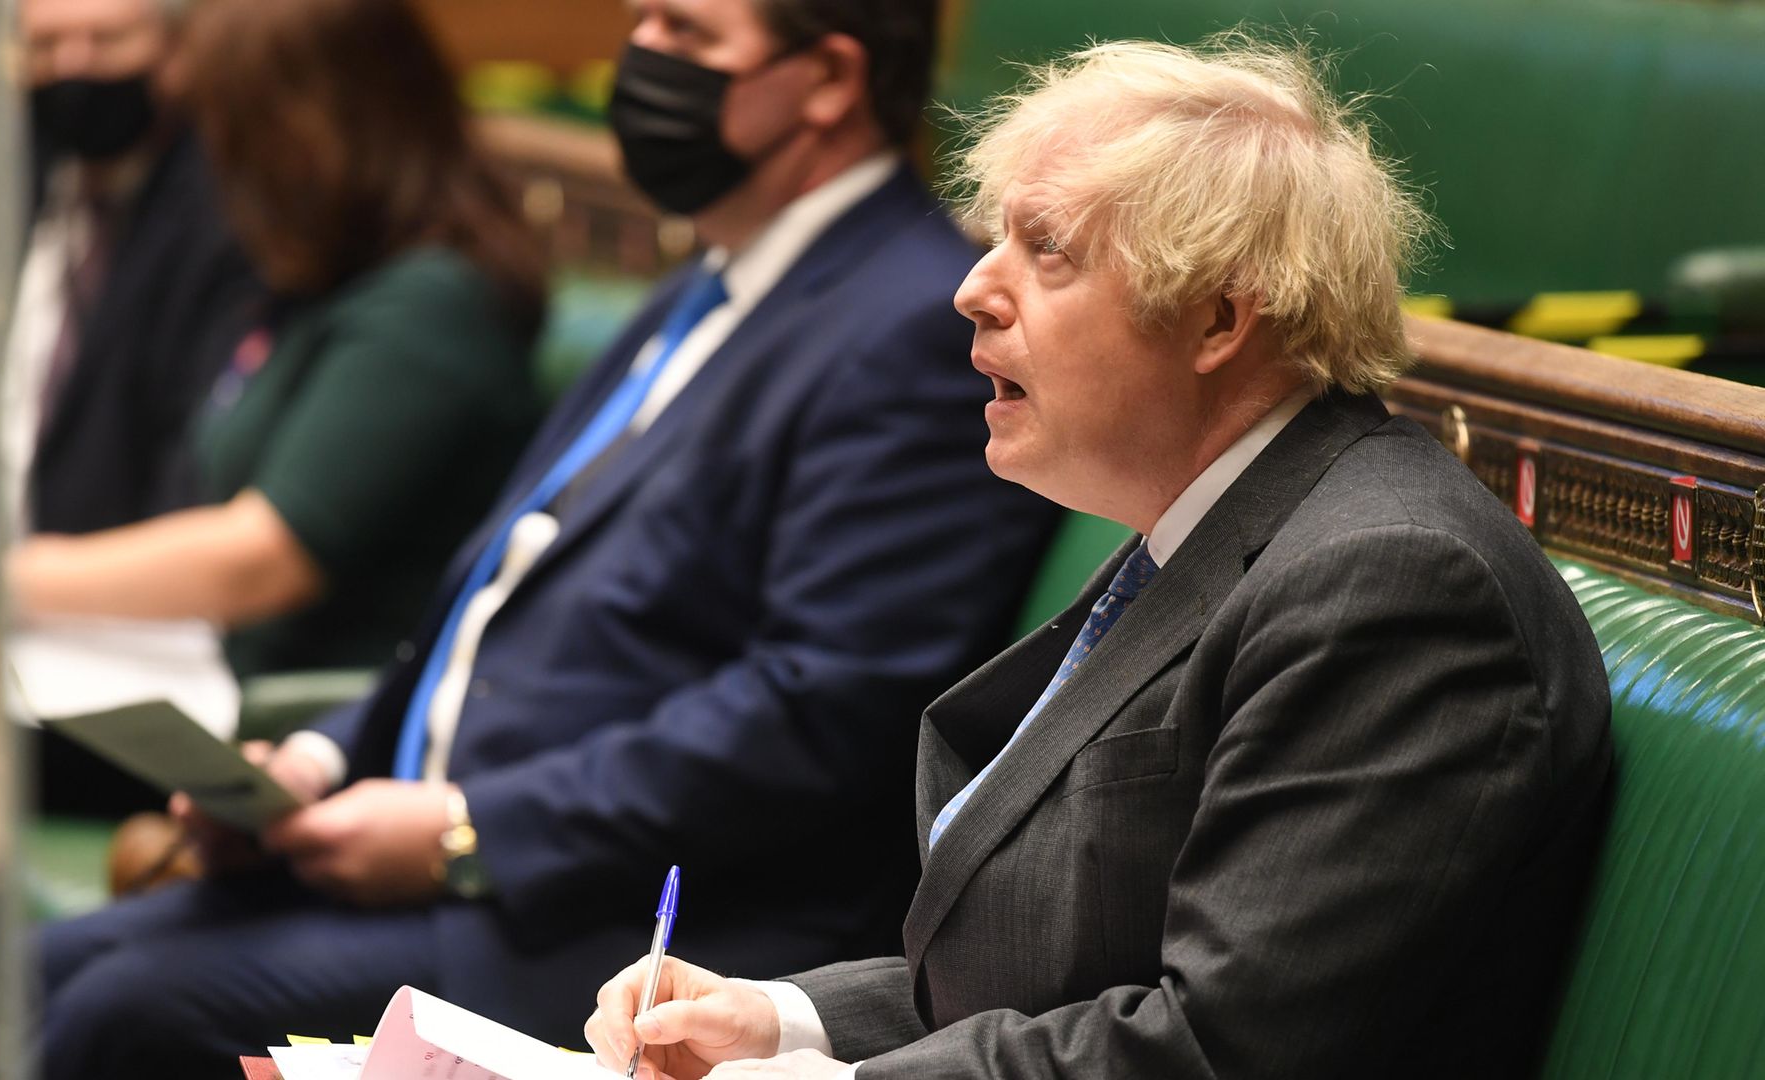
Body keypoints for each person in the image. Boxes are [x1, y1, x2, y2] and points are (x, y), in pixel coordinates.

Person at [34, 0, 1058, 1076]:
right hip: (461, 869)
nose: (640, 58)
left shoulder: (909, 325)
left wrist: (466, 829)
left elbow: (818, 711)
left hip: (633, 926)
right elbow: (490, 596)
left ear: (827, 81)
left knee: (125, 1011)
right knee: (39, 972)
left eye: (686, 35)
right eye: (642, 23)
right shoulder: (713, 282)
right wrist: (320, 758)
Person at [583, 34, 1615, 1080]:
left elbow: (1221, 1048)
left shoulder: (1390, 585)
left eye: (1048, 249)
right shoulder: (1218, 525)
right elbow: (1051, 978)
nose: (972, 289)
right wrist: (777, 1023)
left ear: (1217, 314)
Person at [6, 0, 548, 681]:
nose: (220, 166)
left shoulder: (434, 306)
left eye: (237, 133)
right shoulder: (325, 280)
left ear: (320, 127)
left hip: (318, 728)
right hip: (211, 677)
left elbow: (261, 559)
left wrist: (8, 580)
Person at [2, 0, 263, 539]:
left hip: (138, 593)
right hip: (25, 582)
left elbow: (195, 461)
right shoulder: (20, 186)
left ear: (175, 53)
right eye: (46, 46)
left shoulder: (225, 218)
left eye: (107, 41)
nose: (73, 67)